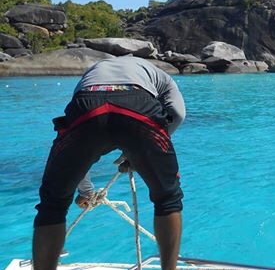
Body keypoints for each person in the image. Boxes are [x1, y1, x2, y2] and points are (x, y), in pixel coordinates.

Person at [32, 55, 186, 270]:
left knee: (53, 205)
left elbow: (79, 143)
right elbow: (178, 113)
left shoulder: (92, 73)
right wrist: (141, 151)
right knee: (167, 198)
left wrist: (86, 191)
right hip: (137, 103)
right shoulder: (162, 77)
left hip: (88, 101)